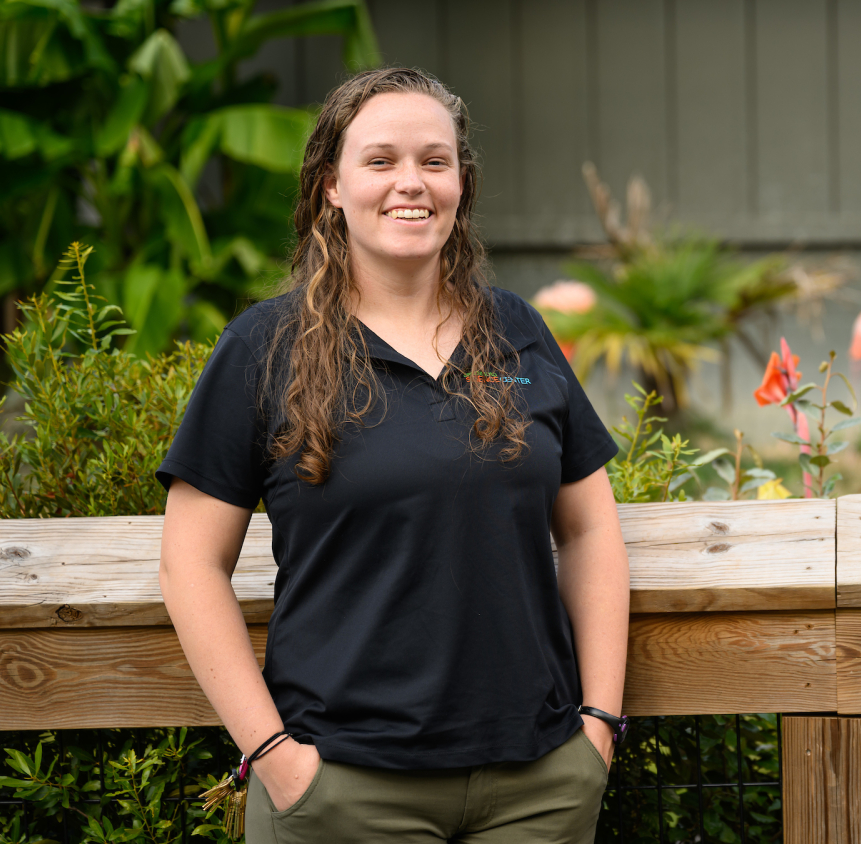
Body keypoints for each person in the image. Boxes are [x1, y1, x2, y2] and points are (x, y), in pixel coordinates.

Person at [156, 67, 629, 844]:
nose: (411, 183)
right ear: (331, 187)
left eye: (434, 162)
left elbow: (589, 528)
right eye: (380, 161)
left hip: (538, 785)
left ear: (460, 184)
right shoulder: (262, 349)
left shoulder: (516, 330)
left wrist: (598, 728)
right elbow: (190, 564)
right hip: (342, 790)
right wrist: (277, 759)